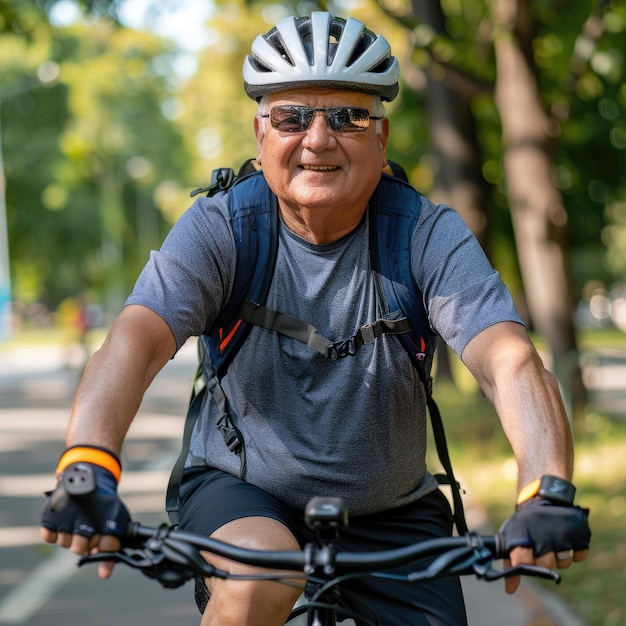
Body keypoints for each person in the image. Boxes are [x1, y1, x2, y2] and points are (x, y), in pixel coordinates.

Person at [40, 11, 590, 626]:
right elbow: (133, 344)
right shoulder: (223, 228)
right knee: (257, 577)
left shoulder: (425, 235)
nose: (319, 139)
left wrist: (545, 491)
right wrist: (87, 466)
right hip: (244, 496)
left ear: (382, 139)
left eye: (349, 116)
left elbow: (508, 360)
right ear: (261, 134)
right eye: (293, 117)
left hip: (392, 512)